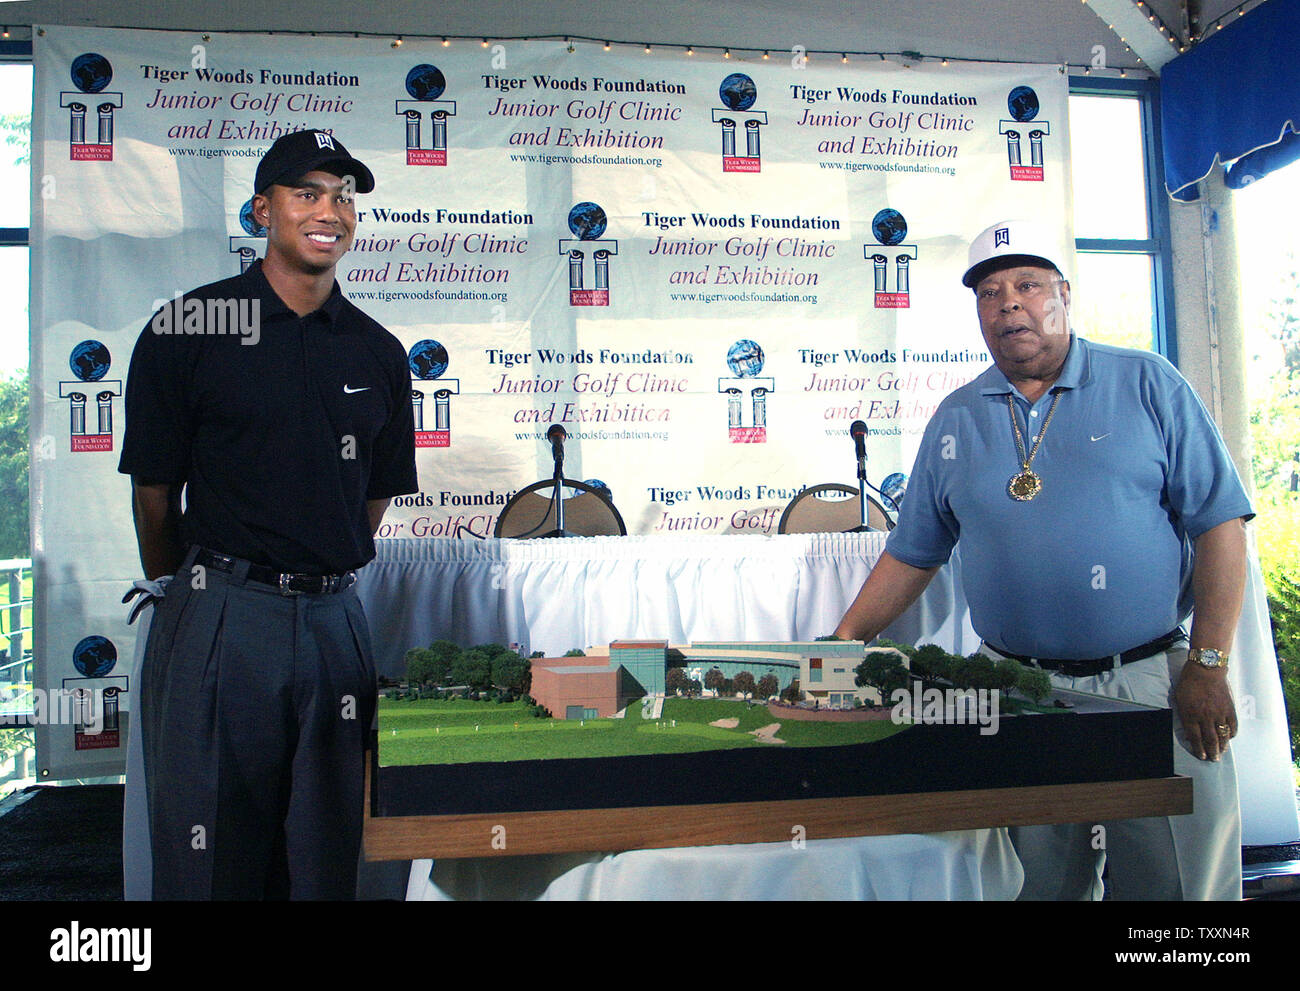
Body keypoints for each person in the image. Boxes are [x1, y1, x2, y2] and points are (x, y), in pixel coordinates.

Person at [834, 219, 1253, 900]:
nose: (1009, 304)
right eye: (990, 292)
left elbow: (1221, 526)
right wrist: (844, 640)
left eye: (1028, 285)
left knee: (1176, 892)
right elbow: (913, 554)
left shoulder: (1149, 384)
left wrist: (1207, 664)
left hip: (1150, 685)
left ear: (1064, 293)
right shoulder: (956, 416)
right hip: (1016, 695)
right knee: (1033, 887)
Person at [119, 129, 418, 899]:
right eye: (308, 192)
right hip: (220, 615)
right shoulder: (188, 328)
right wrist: (191, 592)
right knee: (211, 851)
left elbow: (374, 495)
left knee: (337, 854)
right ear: (262, 211)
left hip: (335, 623)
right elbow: (155, 492)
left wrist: (318, 568)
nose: (332, 210)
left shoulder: (379, 350)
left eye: (345, 196)